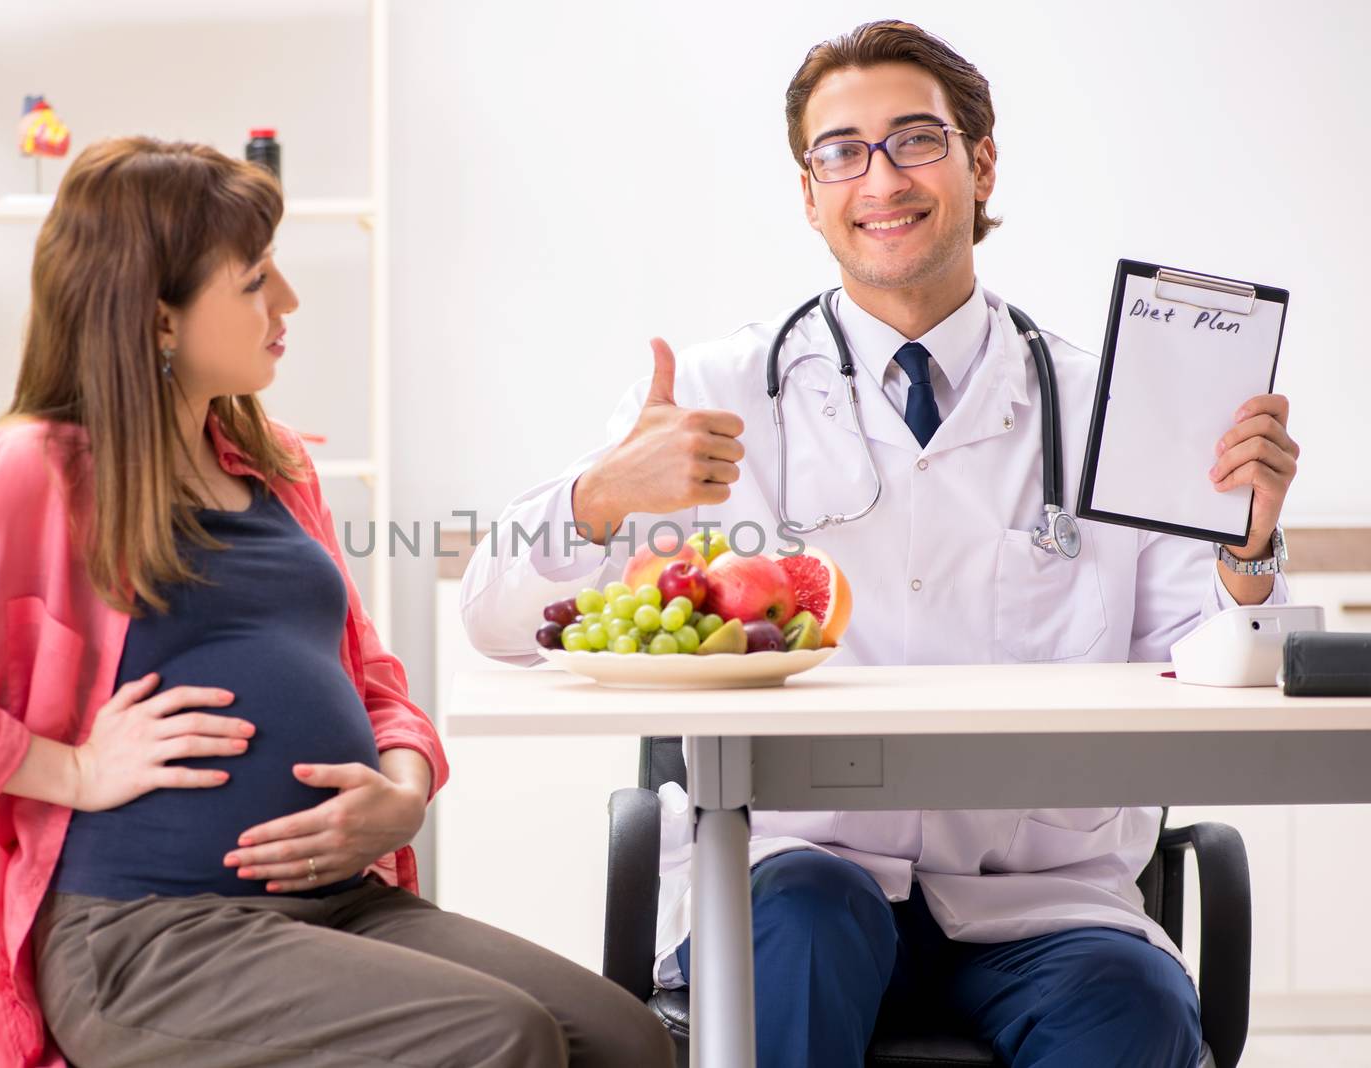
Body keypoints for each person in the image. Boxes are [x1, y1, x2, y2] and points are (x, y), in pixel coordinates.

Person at [460, 21, 1300, 1068]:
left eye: (914, 139)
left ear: (978, 162)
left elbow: (1208, 668)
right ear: (808, 192)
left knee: (1128, 1006)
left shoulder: (1106, 408)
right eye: (839, 151)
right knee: (799, 925)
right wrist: (596, 498)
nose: (879, 178)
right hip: (796, 870)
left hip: (1046, 899)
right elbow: (494, 624)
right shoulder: (712, 398)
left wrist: (1248, 551)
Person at [0, 137, 671, 1068]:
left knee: (625, 1040)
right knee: (500, 1039)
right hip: (148, 936)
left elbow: (373, 678)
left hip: (340, 906)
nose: (286, 302)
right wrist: (69, 771)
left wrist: (404, 791)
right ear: (158, 319)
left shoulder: (277, 466)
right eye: (253, 281)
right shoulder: (31, 473)